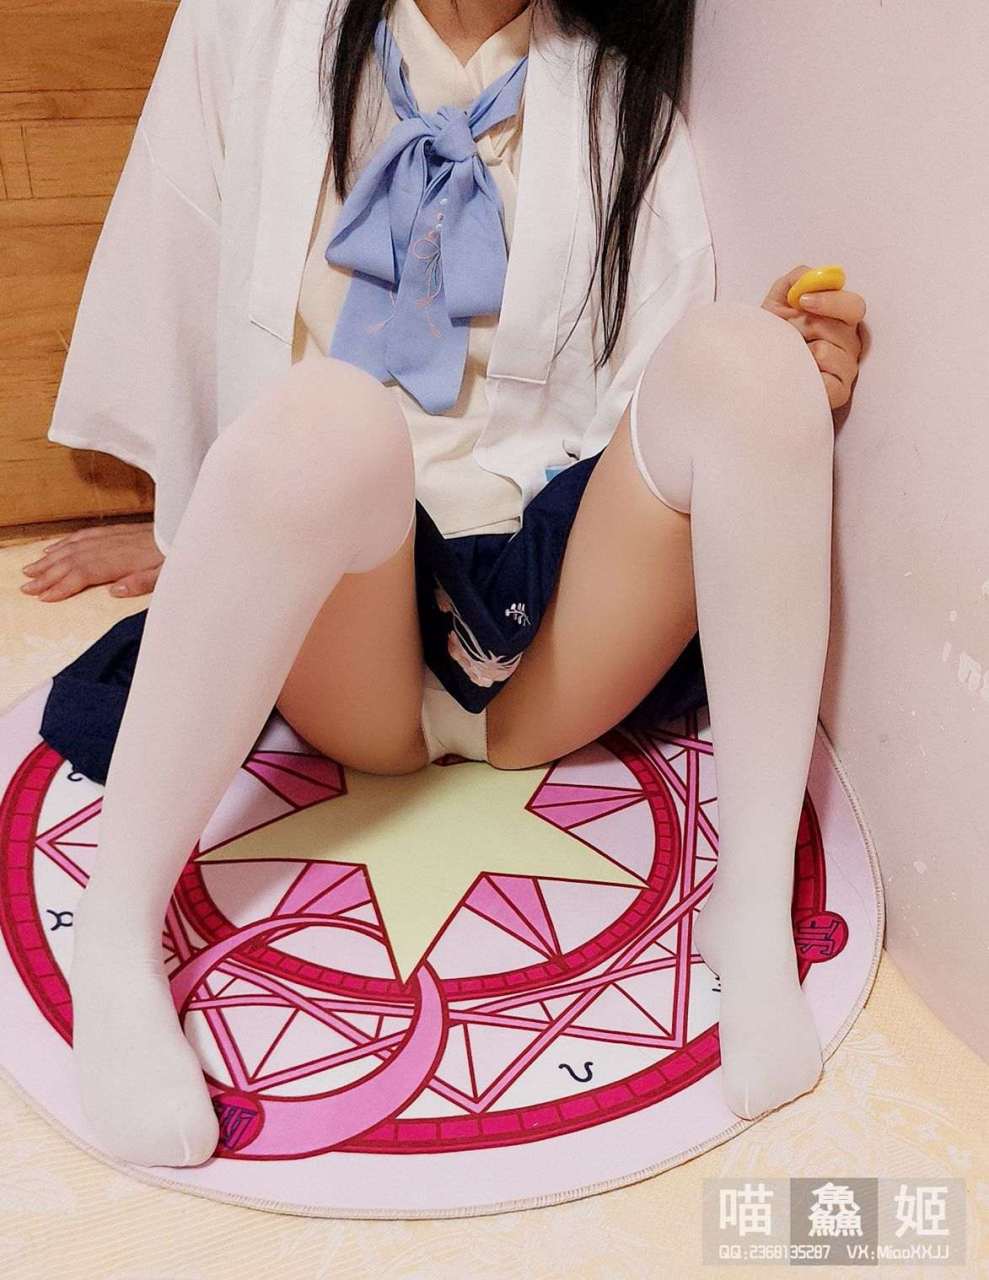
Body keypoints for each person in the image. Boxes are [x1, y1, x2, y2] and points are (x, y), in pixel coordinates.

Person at [21, 0, 864, 1168]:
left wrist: (783, 368)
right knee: (331, 414)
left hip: (544, 612)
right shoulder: (249, 29)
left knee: (746, 359)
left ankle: (750, 904)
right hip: (348, 604)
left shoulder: (621, 104)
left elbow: (652, 414)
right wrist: (197, 531)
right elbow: (172, 277)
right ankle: (115, 936)